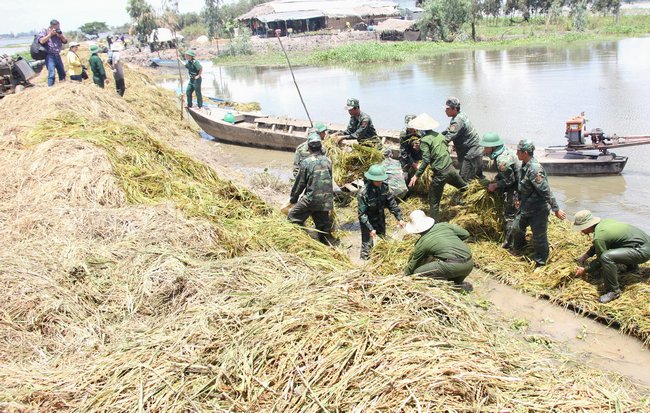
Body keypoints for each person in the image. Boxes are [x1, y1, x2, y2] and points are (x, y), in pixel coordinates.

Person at [573, 210, 650, 303]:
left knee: (606, 257)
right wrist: (585, 256)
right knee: (615, 244)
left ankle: (613, 291)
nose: (581, 230)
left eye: (581, 228)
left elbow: (600, 259)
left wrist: (585, 270)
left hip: (642, 251)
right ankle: (632, 267)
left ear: (587, 226)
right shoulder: (604, 223)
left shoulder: (600, 236)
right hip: (642, 244)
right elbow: (600, 243)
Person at [511, 139, 566, 266]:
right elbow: (521, 186)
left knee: (539, 238)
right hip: (525, 207)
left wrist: (556, 209)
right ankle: (520, 248)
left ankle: (541, 261)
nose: (516, 153)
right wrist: (518, 199)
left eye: (518, 151)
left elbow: (546, 191)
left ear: (525, 153)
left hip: (538, 210)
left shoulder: (534, 169)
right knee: (516, 228)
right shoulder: (524, 166)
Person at [407, 113, 467, 221]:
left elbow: (426, 160)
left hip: (440, 174)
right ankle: (471, 205)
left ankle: (434, 225)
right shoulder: (439, 135)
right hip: (451, 169)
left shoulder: (424, 140)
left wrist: (416, 176)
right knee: (465, 188)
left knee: (433, 201)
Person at [404, 210, 474, 292]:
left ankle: (433, 290)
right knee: (453, 284)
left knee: (417, 272)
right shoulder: (444, 225)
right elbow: (466, 234)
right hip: (469, 263)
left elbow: (413, 265)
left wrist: (404, 277)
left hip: (453, 267)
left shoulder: (422, 244)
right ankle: (457, 285)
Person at [288, 133, 336, 246]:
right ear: (321, 147)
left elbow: (300, 184)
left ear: (309, 147)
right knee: (323, 228)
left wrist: (293, 199)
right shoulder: (328, 161)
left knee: (293, 217)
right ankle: (327, 245)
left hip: (311, 199)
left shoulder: (306, 163)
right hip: (326, 199)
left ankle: (302, 240)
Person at [479, 132, 520, 249]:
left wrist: (495, 185)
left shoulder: (502, 160)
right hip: (513, 183)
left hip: (517, 187)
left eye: (486, 147)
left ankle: (509, 244)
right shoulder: (501, 151)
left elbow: (510, 180)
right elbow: (504, 175)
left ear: (493, 147)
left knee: (510, 214)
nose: (485, 150)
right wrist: (497, 179)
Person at [357, 164, 406, 260]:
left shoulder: (384, 187)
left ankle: (378, 260)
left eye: (381, 180)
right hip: (368, 222)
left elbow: (392, 204)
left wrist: (399, 218)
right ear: (371, 179)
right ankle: (364, 263)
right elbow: (362, 214)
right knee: (367, 245)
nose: (380, 182)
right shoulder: (363, 193)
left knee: (381, 242)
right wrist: (370, 229)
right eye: (377, 180)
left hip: (380, 219)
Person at [442, 97, 483, 181]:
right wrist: (439, 136)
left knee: (463, 178)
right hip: (474, 148)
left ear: (454, 109)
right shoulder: (460, 115)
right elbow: (448, 130)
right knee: (476, 175)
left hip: (471, 151)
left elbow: (449, 137)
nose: (445, 111)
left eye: (447, 109)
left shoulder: (457, 120)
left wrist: (438, 143)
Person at [38, 19, 68, 86]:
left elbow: (65, 41)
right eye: (56, 27)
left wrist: (60, 36)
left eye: (58, 26)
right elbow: (41, 41)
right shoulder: (45, 31)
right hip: (49, 55)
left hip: (57, 55)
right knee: (52, 74)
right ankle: (50, 88)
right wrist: (50, 34)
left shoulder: (59, 31)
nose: (57, 28)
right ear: (52, 26)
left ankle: (63, 87)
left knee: (62, 72)